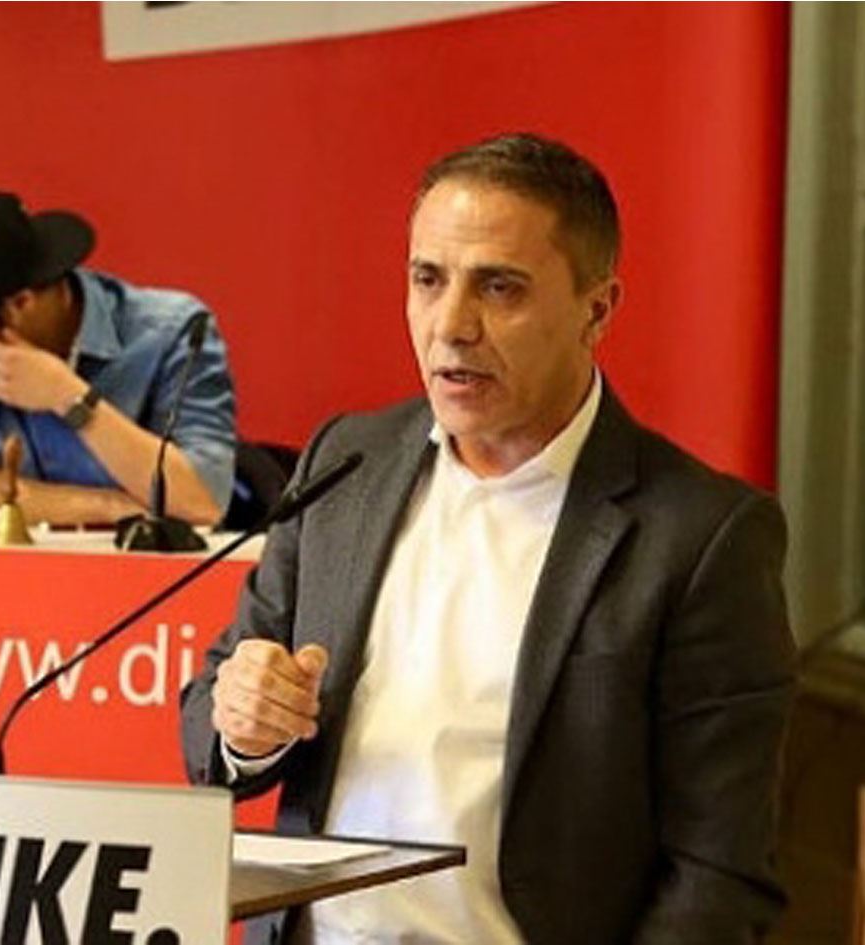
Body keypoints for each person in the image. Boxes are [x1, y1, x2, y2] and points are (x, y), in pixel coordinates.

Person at [180, 134, 795, 944]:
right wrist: (245, 726)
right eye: (427, 279)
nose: (451, 325)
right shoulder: (346, 463)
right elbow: (212, 722)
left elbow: (718, 873)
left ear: (597, 309)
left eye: (500, 287)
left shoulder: (701, 535)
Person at [0, 189, 237, 526]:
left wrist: (70, 398)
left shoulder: (173, 332)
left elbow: (203, 502)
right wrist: (108, 508)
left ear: (21, 303)